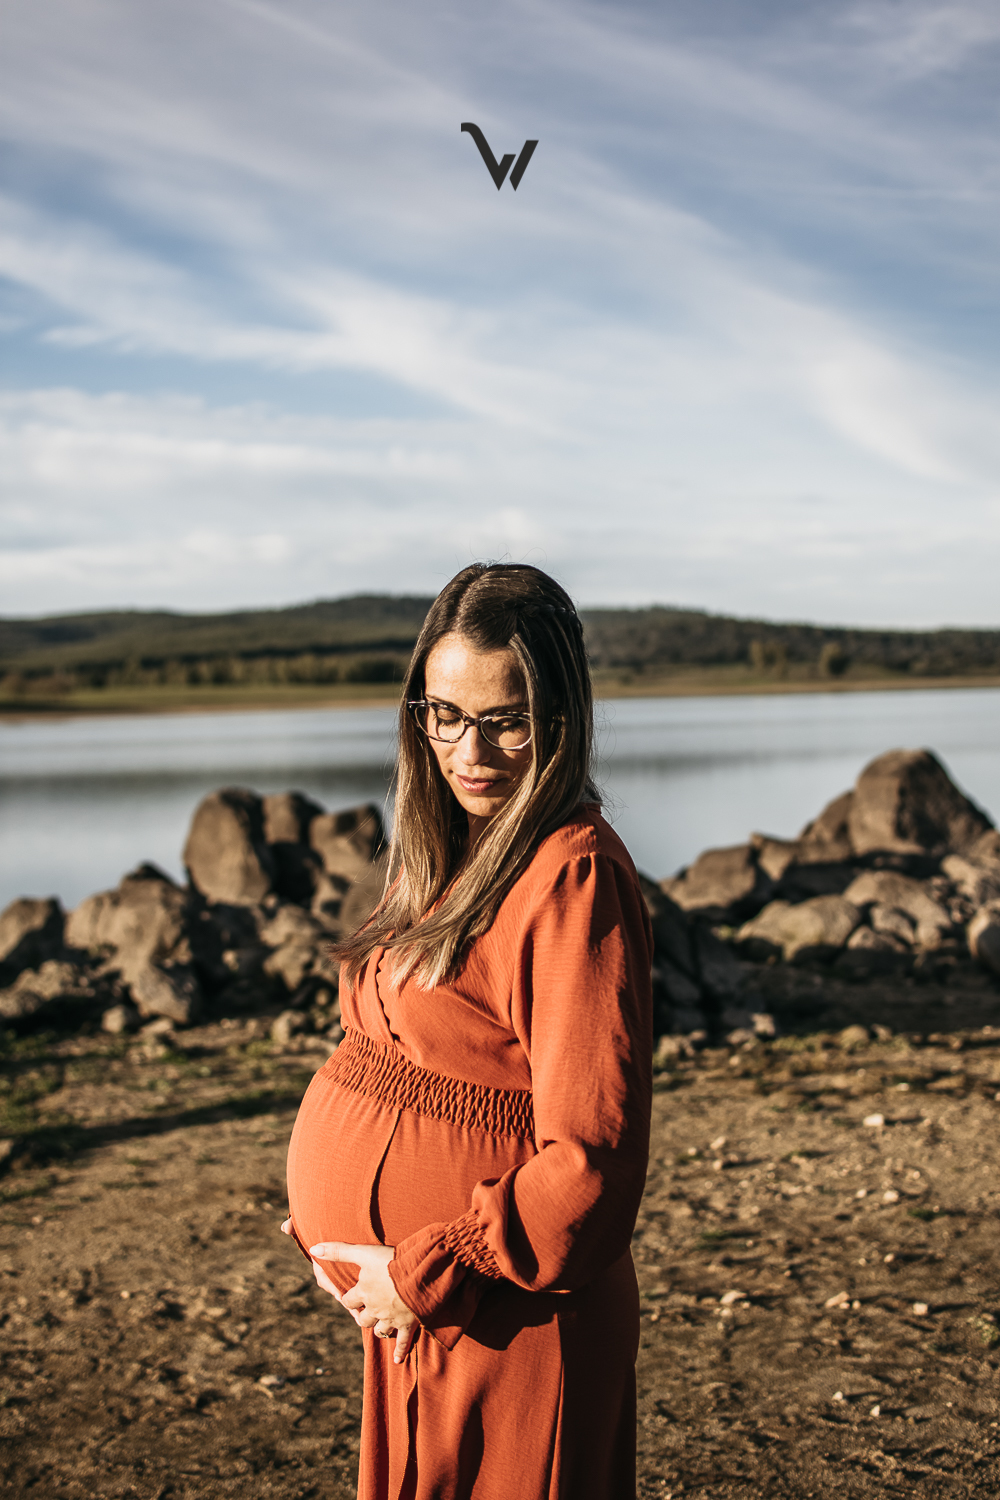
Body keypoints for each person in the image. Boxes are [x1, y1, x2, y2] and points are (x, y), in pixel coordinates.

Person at [282, 562, 653, 1500]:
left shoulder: (572, 878)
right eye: (443, 714)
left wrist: (426, 1267)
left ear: (562, 719)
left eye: (506, 718)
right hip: (426, 1315)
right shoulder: (452, 849)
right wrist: (344, 1240)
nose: (470, 750)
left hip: (507, 1319)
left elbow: (592, 1163)